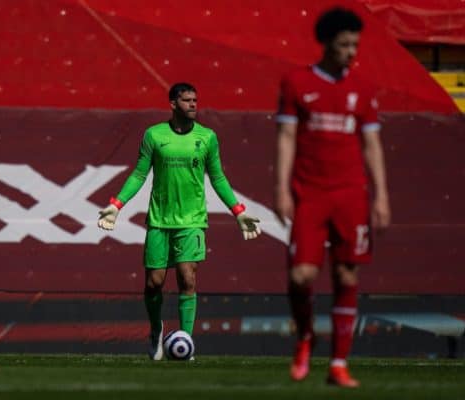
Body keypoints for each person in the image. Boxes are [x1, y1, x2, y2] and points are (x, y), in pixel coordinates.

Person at [97, 82, 261, 360]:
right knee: (153, 284)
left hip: (192, 220)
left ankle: (186, 342)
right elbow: (138, 174)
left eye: (195, 100)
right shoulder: (154, 135)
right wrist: (116, 205)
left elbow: (218, 177)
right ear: (173, 104)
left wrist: (239, 211)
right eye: (187, 100)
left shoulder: (207, 137)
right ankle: (155, 330)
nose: (193, 104)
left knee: (188, 278)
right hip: (160, 221)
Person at [274, 7, 391, 387]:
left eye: (355, 44)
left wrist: (381, 195)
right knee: (301, 276)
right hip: (309, 192)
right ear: (326, 43)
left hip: (351, 193)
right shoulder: (296, 83)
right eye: (344, 44)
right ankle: (305, 336)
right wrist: (281, 188)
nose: (351, 51)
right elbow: (287, 138)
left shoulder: (364, 88)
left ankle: (338, 364)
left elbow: (371, 143)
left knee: (346, 272)